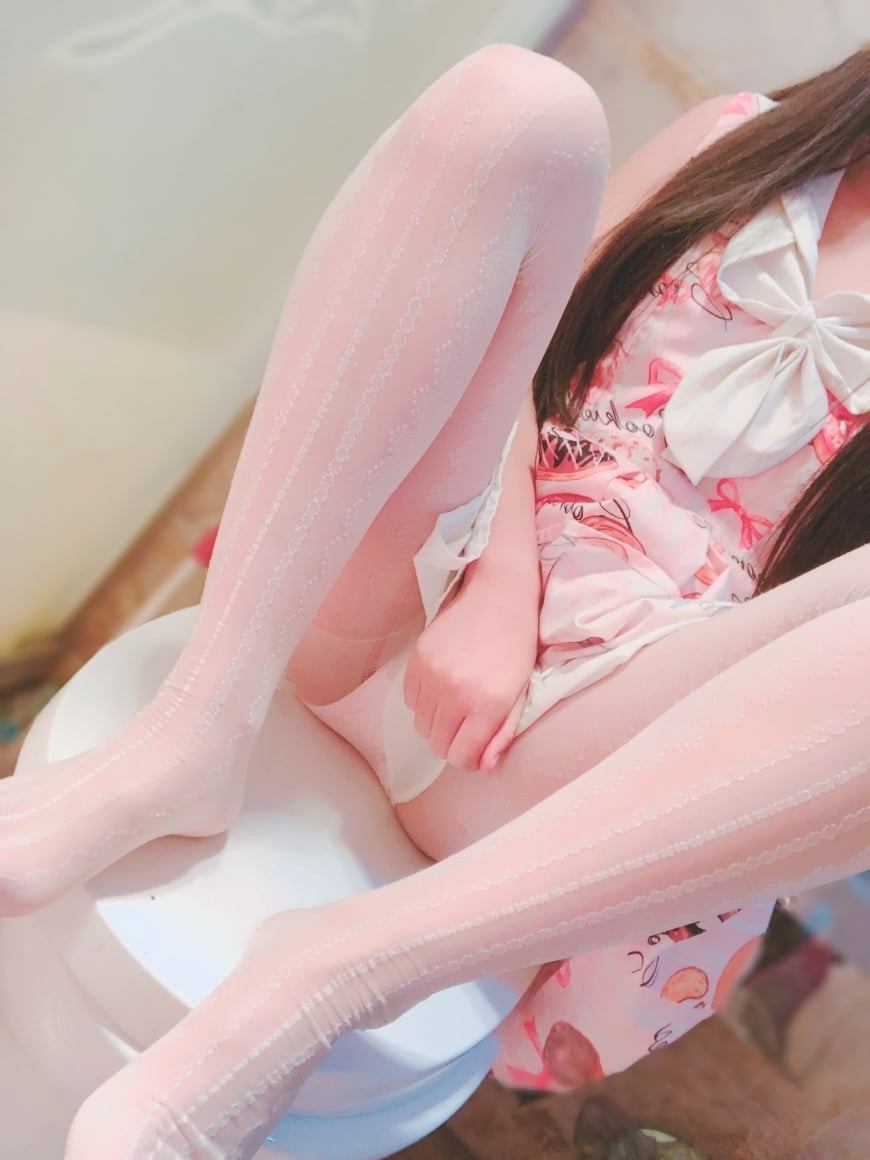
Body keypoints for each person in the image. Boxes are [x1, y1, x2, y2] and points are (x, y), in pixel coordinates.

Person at [1, 42, 866, 1158]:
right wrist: (500, 580)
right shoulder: (741, 139)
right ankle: (191, 728)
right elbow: (518, 346)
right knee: (519, 106)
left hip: (582, 761)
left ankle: (336, 972)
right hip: (428, 584)